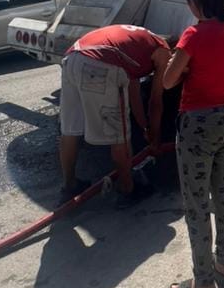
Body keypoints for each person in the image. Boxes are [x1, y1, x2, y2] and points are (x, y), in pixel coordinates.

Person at [163, 0, 224, 288]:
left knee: (197, 204)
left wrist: (180, 68)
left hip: (198, 124)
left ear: (197, 2)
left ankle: (203, 286)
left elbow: (168, 81)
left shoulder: (193, 35)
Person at [58, 24, 170, 206]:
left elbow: (134, 93)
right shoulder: (164, 51)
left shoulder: (139, 44)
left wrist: (144, 127)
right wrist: (155, 138)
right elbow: (155, 101)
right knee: (119, 134)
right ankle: (127, 189)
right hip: (100, 64)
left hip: (73, 57)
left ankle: (69, 185)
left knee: (70, 130)